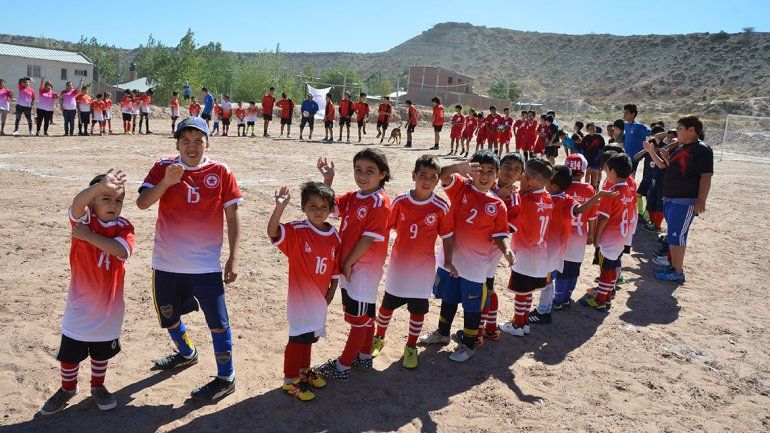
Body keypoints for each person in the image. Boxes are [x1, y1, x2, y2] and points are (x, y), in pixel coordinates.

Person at [136, 116, 243, 401]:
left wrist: (233, 257)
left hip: (205, 265)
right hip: (166, 262)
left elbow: (232, 216)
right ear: (177, 144)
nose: (192, 147)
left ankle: (226, 376)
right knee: (168, 317)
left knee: (217, 322)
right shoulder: (163, 168)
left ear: (208, 143)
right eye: (186, 141)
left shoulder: (221, 171)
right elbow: (143, 203)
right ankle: (186, 353)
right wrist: (167, 182)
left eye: (198, 141)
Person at [40, 169, 135, 415]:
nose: (114, 204)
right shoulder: (83, 220)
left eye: (118, 200)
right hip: (80, 306)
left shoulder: (124, 227)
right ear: (92, 203)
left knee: (101, 352)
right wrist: (99, 186)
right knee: (70, 353)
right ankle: (67, 388)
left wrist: (88, 237)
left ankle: (98, 386)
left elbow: (120, 251)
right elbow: (77, 203)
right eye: (106, 198)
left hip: (109, 308)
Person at [420, 151, 513, 362]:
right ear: (472, 171)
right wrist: (458, 167)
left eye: (490, 171)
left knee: (472, 307)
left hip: (476, 266)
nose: (484, 175)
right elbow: (440, 175)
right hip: (450, 260)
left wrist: (507, 249)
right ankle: (442, 334)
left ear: (497, 175)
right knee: (449, 299)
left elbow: (500, 234)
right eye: (480, 170)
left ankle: (468, 344)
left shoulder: (498, 204)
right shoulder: (461, 187)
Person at [313, 149, 391, 380]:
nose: (362, 176)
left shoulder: (380, 201)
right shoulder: (356, 196)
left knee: (358, 320)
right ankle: (365, 356)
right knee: (365, 315)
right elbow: (330, 206)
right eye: (358, 170)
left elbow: (368, 238)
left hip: (362, 269)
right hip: (351, 266)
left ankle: (342, 366)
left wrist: (347, 263)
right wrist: (328, 180)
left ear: (382, 174)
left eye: (370, 171)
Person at [372, 155, 452, 369]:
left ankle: (410, 346)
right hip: (399, 266)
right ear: (414, 176)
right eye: (422, 175)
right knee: (387, 305)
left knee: (418, 310)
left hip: (423, 269)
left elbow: (447, 236)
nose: (426, 181)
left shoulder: (441, 206)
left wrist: (450, 261)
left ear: (437, 181)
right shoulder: (401, 200)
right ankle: (378, 337)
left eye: (432, 177)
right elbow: (388, 227)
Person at [268, 182, 341, 401]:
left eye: (323, 207)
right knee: (298, 338)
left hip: (320, 298)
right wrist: (279, 207)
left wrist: (331, 291)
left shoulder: (334, 235)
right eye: (312, 206)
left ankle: (303, 371)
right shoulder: (298, 230)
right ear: (303, 207)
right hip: (300, 299)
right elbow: (273, 232)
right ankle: (290, 381)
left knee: (309, 337)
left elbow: (335, 268)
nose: (318, 211)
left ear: (330, 209)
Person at [528, 164, 612, 325]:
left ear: (554, 185)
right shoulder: (564, 199)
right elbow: (579, 210)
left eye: (547, 181)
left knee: (545, 280)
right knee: (549, 279)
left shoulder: (558, 200)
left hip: (550, 248)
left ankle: (543, 312)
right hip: (555, 247)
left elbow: (580, 210)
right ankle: (545, 309)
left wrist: (598, 195)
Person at [649, 115, 713, 283]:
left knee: (678, 236)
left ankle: (677, 271)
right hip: (671, 199)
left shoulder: (702, 149)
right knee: (672, 235)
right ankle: (673, 266)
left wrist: (701, 200)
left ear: (692, 130)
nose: (677, 132)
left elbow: (706, 177)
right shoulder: (682, 148)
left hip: (685, 201)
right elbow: (674, 167)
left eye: (680, 129)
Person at [498, 158, 554, 336]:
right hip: (540, 254)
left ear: (528, 178)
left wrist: (521, 191)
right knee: (529, 292)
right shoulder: (548, 198)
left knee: (521, 293)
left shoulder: (525, 199)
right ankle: (523, 323)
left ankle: (517, 325)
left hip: (524, 254)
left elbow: (511, 215)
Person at [476, 151, 524, 346]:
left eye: (516, 170)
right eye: (506, 167)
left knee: (484, 289)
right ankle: (491, 327)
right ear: (498, 169)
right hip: (475, 244)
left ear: (520, 175)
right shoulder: (488, 185)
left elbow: (508, 229)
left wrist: (498, 197)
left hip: (491, 249)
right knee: (487, 287)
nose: (510, 172)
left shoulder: (514, 198)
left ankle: (479, 331)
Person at [579, 153, 635, 309]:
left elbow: (603, 219)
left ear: (613, 172)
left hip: (609, 238)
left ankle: (601, 299)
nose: (605, 173)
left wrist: (596, 238)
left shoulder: (611, 193)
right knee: (611, 266)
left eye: (606, 170)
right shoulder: (627, 190)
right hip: (621, 237)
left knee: (606, 269)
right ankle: (608, 293)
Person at [551, 154, 596, 310]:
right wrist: (591, 234)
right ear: (583, 173)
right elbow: (592, 216)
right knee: (574, 268)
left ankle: (558, 299)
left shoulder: (563, 189)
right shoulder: (589, 189)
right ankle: (567, 298)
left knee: (561, 269)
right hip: (581, 235)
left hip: (564, 235)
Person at [623, 104, 650, 176]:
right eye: (624, 112)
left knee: (631, 176)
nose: (624, 114)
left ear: (633, 114)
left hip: (635, 156)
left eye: (626, 113)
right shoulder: (625, 125)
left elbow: (651, 133)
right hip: (625, 155)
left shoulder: (639, 126)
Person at [583, 122, 605, 189]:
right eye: (590, 129)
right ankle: (586, 188)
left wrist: (598, 157)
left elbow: (602, 148)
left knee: (595, 173)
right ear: (587, 130)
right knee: (587, 173)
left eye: (593, 128)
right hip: (588, 158)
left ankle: (595, 188)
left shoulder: (599, 137)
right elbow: (583, 148)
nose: (592, 130)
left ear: (595, 129)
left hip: (597, 158)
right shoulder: (586, 138)